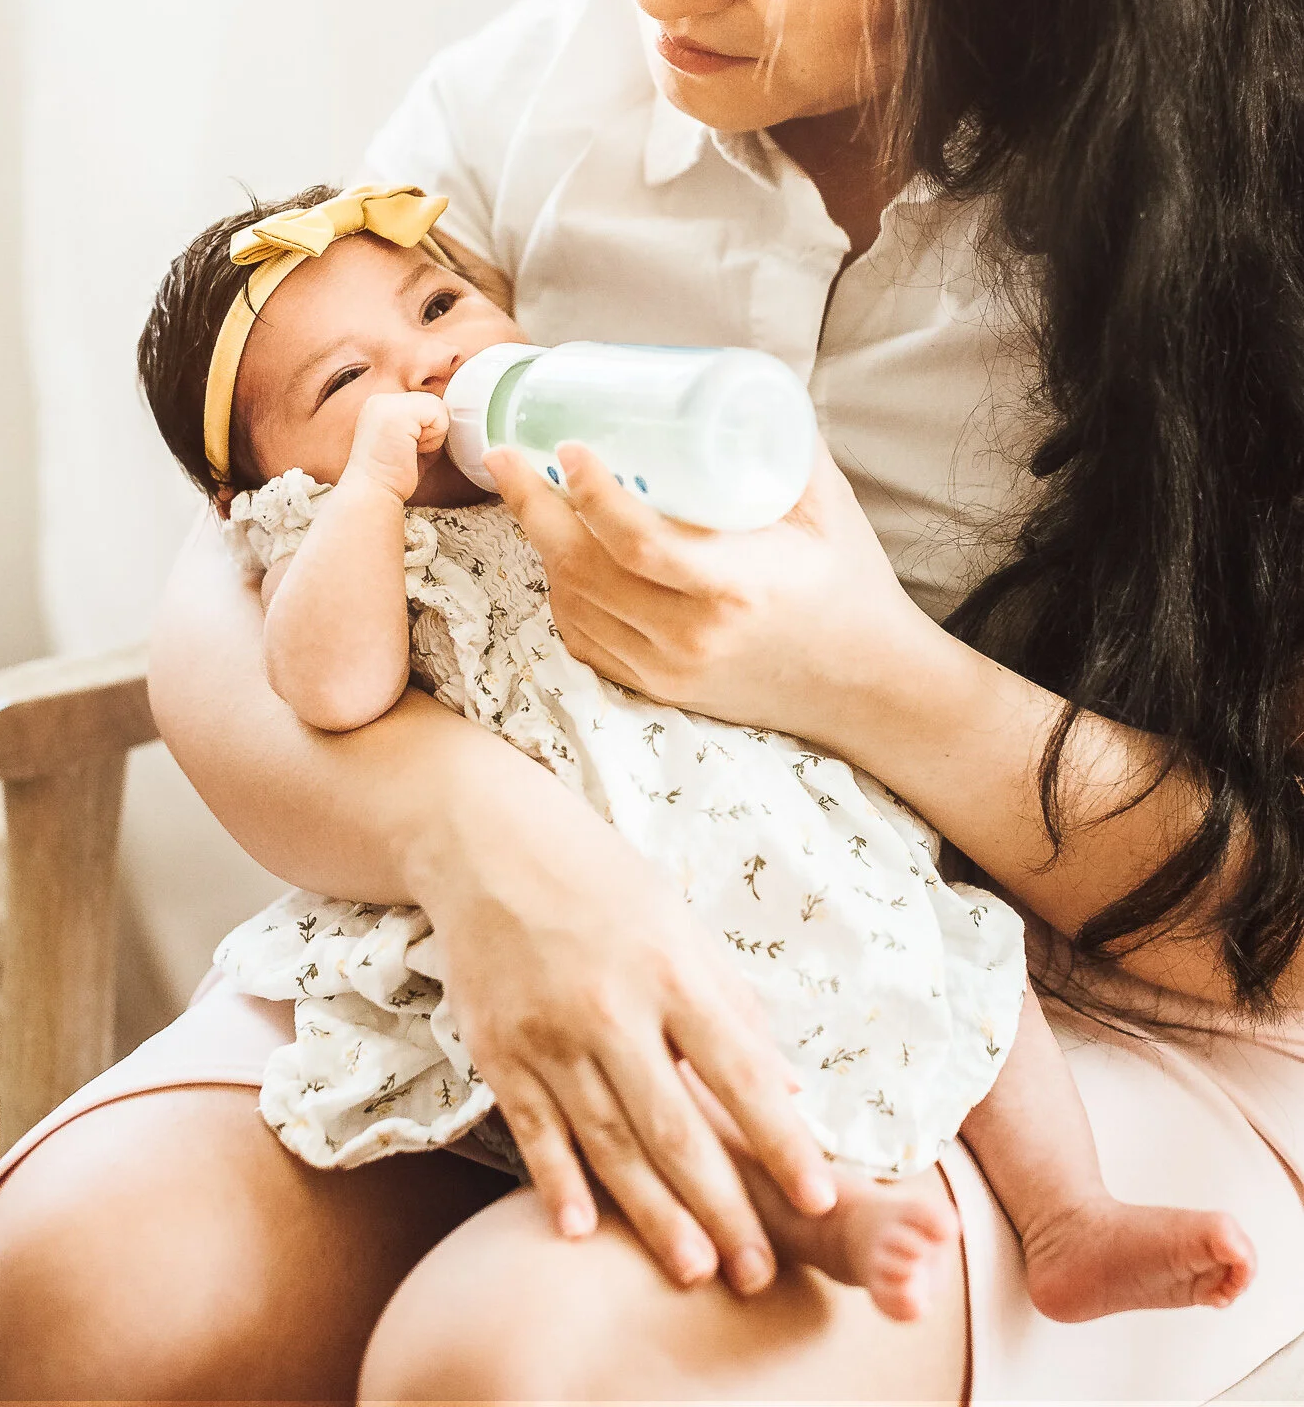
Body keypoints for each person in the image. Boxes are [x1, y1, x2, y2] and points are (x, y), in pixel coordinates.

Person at [0, 0, 1304, 1397]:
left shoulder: (1250, 192)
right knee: (84, 1297)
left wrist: (848, 671)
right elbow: (232, 573)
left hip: (1084, 1010)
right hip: (533, 900)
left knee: (519, 1364)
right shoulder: (534, 103)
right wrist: (488, 846)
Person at [131, 174, 1254, 1327]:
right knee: (667, 1048)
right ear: (247, 491)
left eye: (436, 306)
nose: (427, 364)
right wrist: (371, 486)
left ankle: (1069, 1212)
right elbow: (332, 684)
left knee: (965, 959)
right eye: (345, 380)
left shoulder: (569, 436)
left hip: (764, 815)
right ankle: (821, 1212)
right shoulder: (328, 531)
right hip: (587, 870)